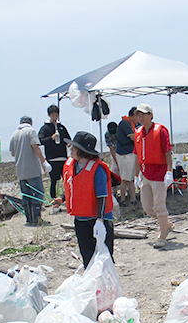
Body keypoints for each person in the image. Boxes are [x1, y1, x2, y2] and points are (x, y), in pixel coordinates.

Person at [51, 132, 114, 268]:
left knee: (104, 259)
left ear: (84, 150)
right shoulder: (72, 165)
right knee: (88, 258)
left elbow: (102, 196)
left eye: (74, 147)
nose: (71, 149)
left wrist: (100, 220)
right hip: (80, 219)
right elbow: (72, 185)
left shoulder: (97, 169)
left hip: (98, 219)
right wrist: (61, 199)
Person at [133, 103, 174, 248]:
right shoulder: (138, 133)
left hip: (160, 174)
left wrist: (169, 172)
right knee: (147, 207)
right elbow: (137, 155)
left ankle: (162, 237)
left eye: (144, 114)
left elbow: (167, 153)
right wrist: (136, 176)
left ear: (151, 115)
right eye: (138, 114)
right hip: (146, 174)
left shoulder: (161, 131)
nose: (141, 117)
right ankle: (166, 224)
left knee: (159, 207)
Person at [10, 115, 52, 227]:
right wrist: (44, 162)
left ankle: (29, 219)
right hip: (32, 169)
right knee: (38, 193)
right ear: (31, 122)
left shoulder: (14, 135)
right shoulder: (31, 131)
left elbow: (13, 153)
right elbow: (35, 147)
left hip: (20, 170)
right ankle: (37, 218)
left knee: (26, 195)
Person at [37, 105, 70, 200]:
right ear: (49, 115)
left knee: (66, 179)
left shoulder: (61, 127)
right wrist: (51, 138)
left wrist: (68, 143)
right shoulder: (45, 128)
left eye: (56, 115)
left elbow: (68, 138)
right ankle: (53, 199)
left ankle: (66, 197)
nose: (55, 118)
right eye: (53, 115)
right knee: (54, 180)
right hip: (52, 158)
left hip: (63, 157)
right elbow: (40, 140)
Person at [115, 107, 138, 205]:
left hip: (129, 152)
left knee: (131, 177)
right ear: (133, 116)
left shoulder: (130, 124)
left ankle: (133, 198)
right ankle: (123, 199)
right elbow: (133, 137)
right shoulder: (125, 123)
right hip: (124, 153)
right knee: (125, 178)